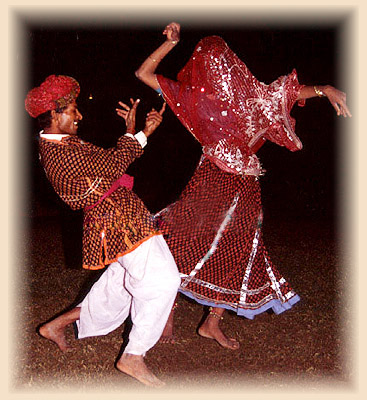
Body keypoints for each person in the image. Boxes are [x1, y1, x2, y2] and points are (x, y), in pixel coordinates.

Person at [135, 22, 351, 349]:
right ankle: (165, 311)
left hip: (247, 181)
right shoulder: (191, 95)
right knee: (185, 237)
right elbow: (143, 73)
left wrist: (325, 89)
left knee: (242, 246)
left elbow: (287, 93)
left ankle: (212, 321)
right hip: (212, 177)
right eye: (208, 58)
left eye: (222, 57)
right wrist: (170, 45)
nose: (217, 64)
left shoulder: (250, 96)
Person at [25, 74, 180, 387]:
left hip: (116, 215)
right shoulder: (60, 153)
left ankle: (56, 325)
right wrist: (136, 132)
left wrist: (137, 132)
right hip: (118, 219)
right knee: (164, 280)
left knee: (120, 286)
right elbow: (112, 164)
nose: (79, 115)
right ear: (55, 114)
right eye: (73, 110)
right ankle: (133, 356)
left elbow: (108, 163)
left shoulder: (62, 143)